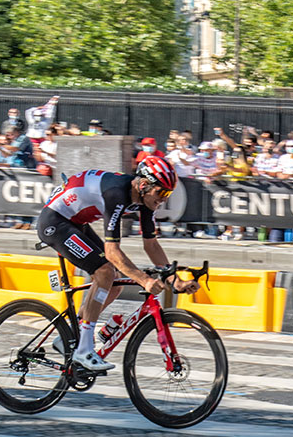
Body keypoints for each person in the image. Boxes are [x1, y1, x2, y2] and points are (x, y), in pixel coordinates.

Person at [36, 157, 199, 371]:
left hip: (75, 223)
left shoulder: (146, 199)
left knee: (114, 284)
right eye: (161, 193)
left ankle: (69, 336)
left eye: (168, 195)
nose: (163, 199)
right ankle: (84, 350)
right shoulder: (116, 193)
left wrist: (174, 280)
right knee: (105, 272)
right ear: (144, 184)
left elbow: (151, 245)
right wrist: (144, 280)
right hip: (55, 223)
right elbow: (112, 252)